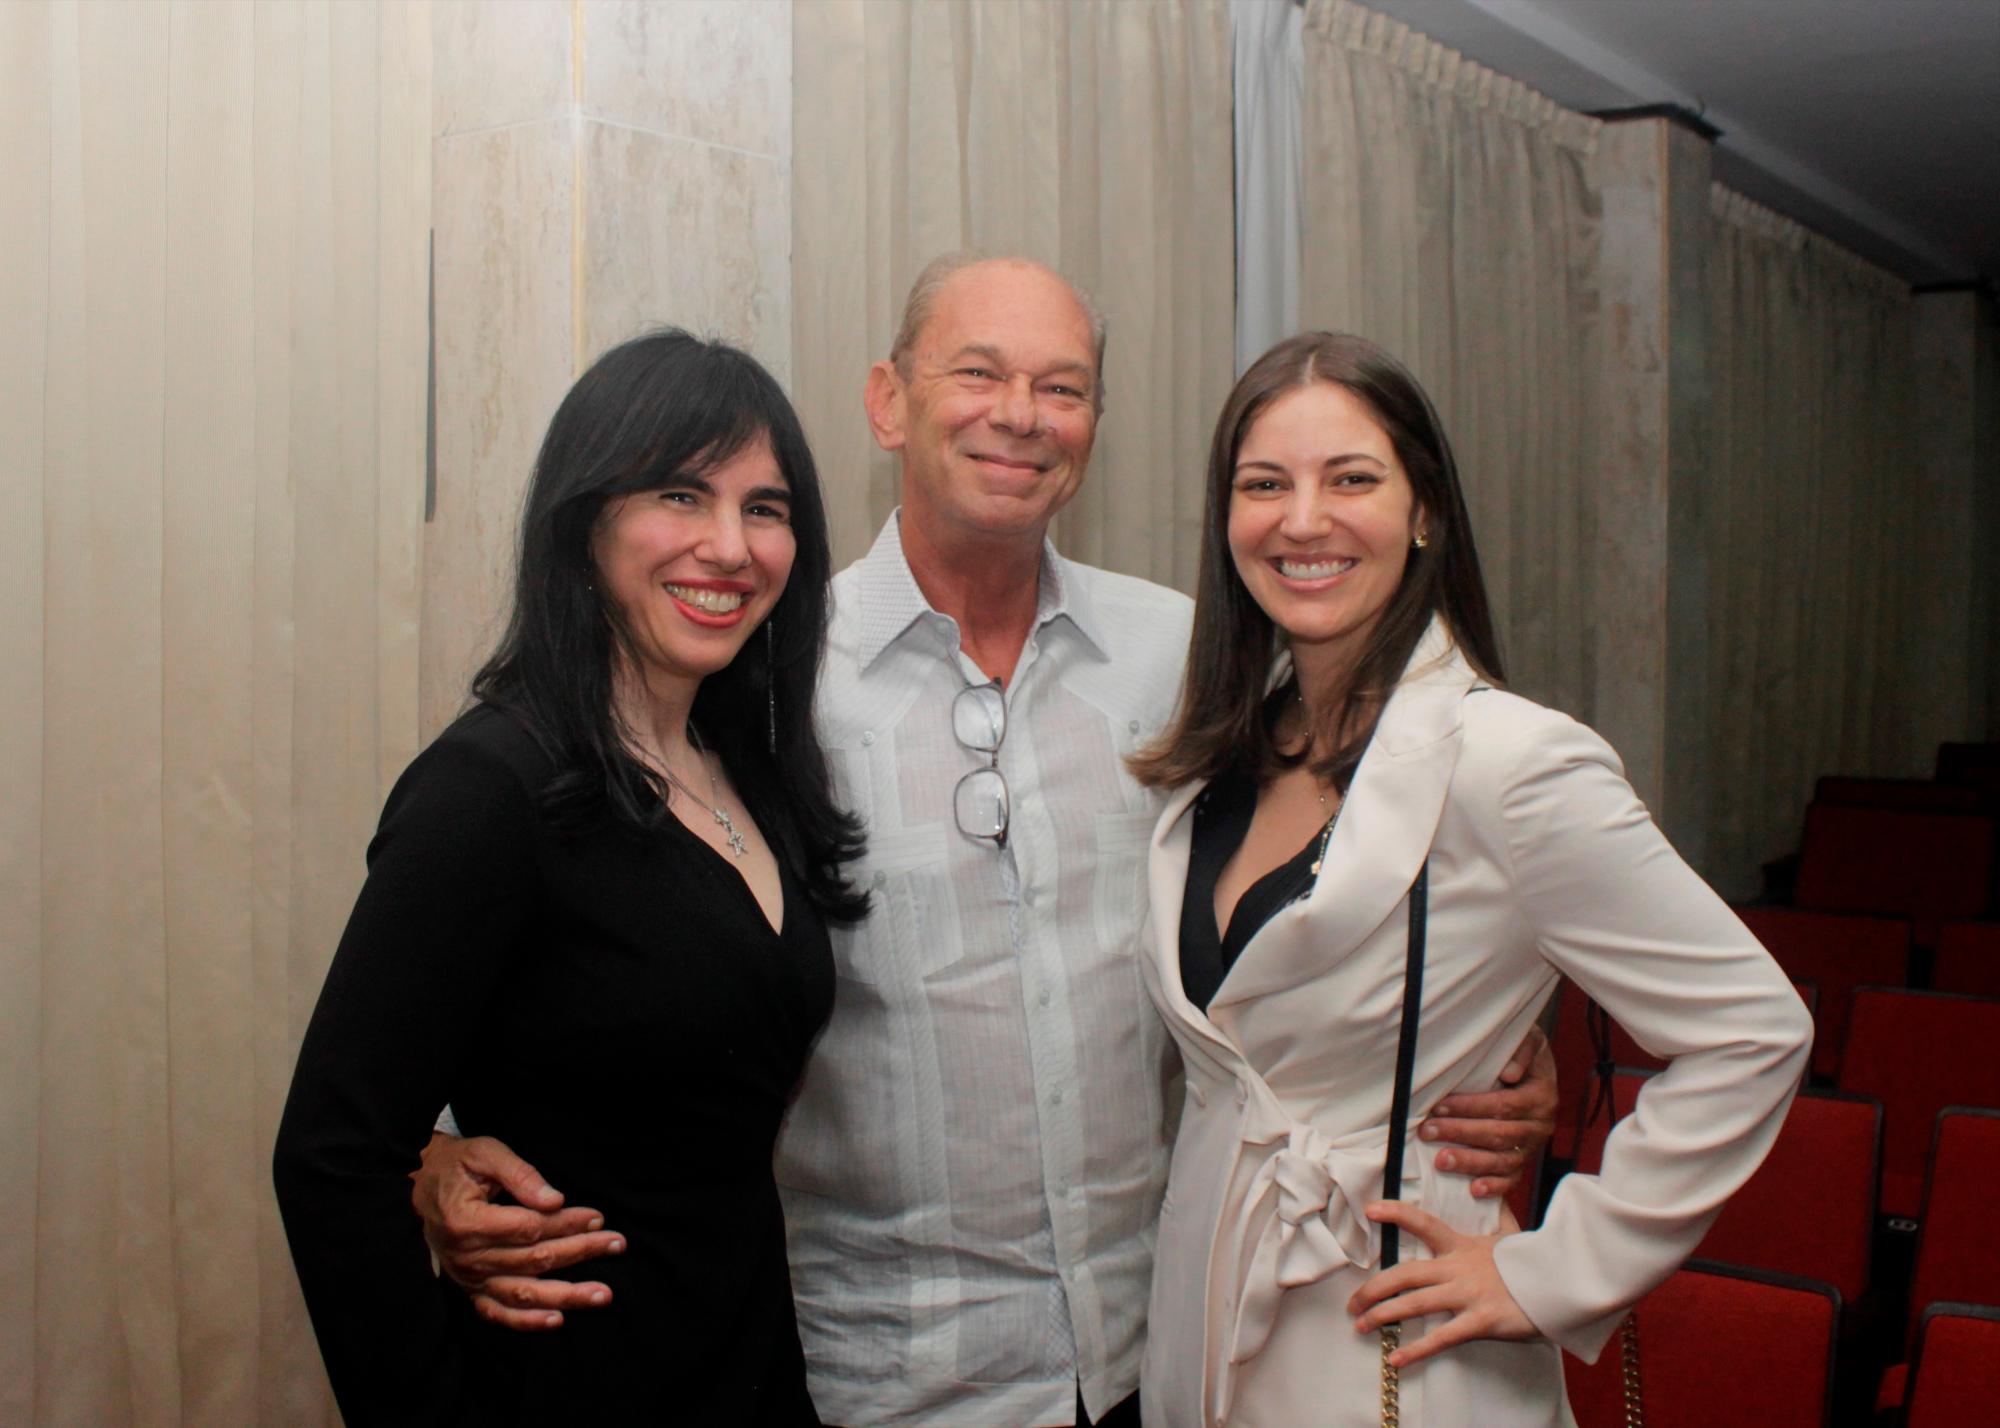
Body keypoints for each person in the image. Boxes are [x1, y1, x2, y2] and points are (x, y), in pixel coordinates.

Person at [408, 258, 1559, 1427]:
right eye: (978, 373)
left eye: (1060, 387)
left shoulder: (1184, 660)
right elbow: (613, 935)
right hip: (882, 1374)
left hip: (1159, 1348)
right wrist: (446, 1151)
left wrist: (1497, 1034)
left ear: (1094, 427)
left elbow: (1363, 868)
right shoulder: (760, 672)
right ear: (887, 402)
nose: (1019, 413)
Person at [1126, 331, 1813, 1428]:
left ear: (1422, 511)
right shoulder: (1223, 755)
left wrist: (1552, 1270)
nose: (1301, 520)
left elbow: (1751, 1029)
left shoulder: (1513, 761)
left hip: (1398, 1335)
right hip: (1204, 1316)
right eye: (1264, 485)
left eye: (1349, 478)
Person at [272, 331, 866, 1426]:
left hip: (747, 1376)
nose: (729, 546)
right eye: (680, 495)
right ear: (585, 522)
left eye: (765, 507)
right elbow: (331, 1159)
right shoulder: (489, 788)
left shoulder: (753, 774)